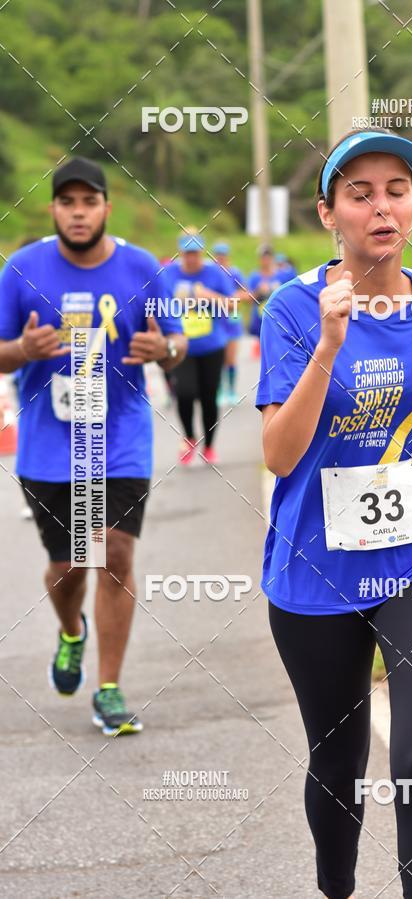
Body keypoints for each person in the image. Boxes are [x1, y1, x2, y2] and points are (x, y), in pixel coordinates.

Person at [256, 128, 412, 899]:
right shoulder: (292, 307)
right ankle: (336, 887)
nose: (382, 206)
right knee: (339, 759)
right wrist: (328, 343)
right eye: (360, 193)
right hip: (317, 561)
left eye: (397, 190)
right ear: (328, 214)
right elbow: (279, 455)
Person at [0, 157, 187, 735]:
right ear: (53, 209)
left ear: (106, 207)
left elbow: (175, 342)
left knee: (112, 552)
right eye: (67, 203)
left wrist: (165, 352)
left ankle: (108, 689)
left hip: (120, 435)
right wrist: (23, 352)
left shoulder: (141, 267)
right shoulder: (21, 270)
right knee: (67, 568)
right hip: (51, 444)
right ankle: (71, 631)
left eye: (89, 202)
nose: (78, 213)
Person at [162, 229, 233, 465]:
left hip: (212, 346)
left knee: (208, 397)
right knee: (184, 393)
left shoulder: (214, 273)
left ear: (201, 252)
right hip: (182, 347)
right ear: (180, 252)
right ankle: (190, 437)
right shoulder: (169, 274)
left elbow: (231, 307)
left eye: (195, 253)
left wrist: (209, 296)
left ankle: (210, 446)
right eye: (187, 253)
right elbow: (158, 305)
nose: (191, 258)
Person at [212, 241, 247, 405]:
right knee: (217, 359)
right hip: (216, 321)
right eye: (217, 255)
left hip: (232, 321)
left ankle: (231, 391)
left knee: (231, 358)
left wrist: (232, 298)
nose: (220, 258)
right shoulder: (210, 274)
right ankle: (218, 391)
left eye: (223, 255)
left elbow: (245, 294)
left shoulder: (235, 273)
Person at [247, 245, 285, 357]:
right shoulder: (254, 277)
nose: (266, 260)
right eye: (263, 258)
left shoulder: (281, 276)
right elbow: (249, 299)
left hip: (277, 320)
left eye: (268, 257)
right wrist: (259, 290)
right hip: (259, 320)